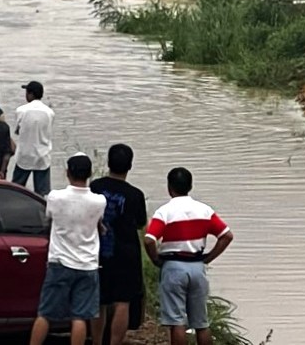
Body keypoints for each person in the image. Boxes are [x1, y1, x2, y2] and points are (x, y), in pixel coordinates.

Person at [144, 168, 234, 345]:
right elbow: (227, 236)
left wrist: (155, 259)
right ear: (190, 186)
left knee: (177, 322)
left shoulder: (165, 212)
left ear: (169, 188)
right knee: (201, 323)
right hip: (197, 266)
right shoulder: (205, 210)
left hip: (173, 267)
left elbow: (149, 240)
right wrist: (208, 258)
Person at [29, 153, 108, 345]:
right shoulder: (99, 201)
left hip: (60, 262)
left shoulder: (55, 197)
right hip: (87, 265)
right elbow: (100, 225)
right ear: (89, 173)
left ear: (67, 173)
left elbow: (49, 219)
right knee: (79, 317)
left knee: (45, 314)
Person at [90, 144, 148, 345]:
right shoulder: (135, 195)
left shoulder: (95, 187)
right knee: (123, 302)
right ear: (130, 165)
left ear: (108, 163)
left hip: (99, 250)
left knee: (100, 301)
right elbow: (141, 223)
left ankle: (97, 342)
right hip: (126, 253)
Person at [13, 81, 55, 196]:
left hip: (24, 155)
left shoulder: (21, 110)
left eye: (26, 92)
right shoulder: (50, 112)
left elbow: (18, 130)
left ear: (30, 94)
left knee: (16, 189)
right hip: (43, 156)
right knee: (41, 194)